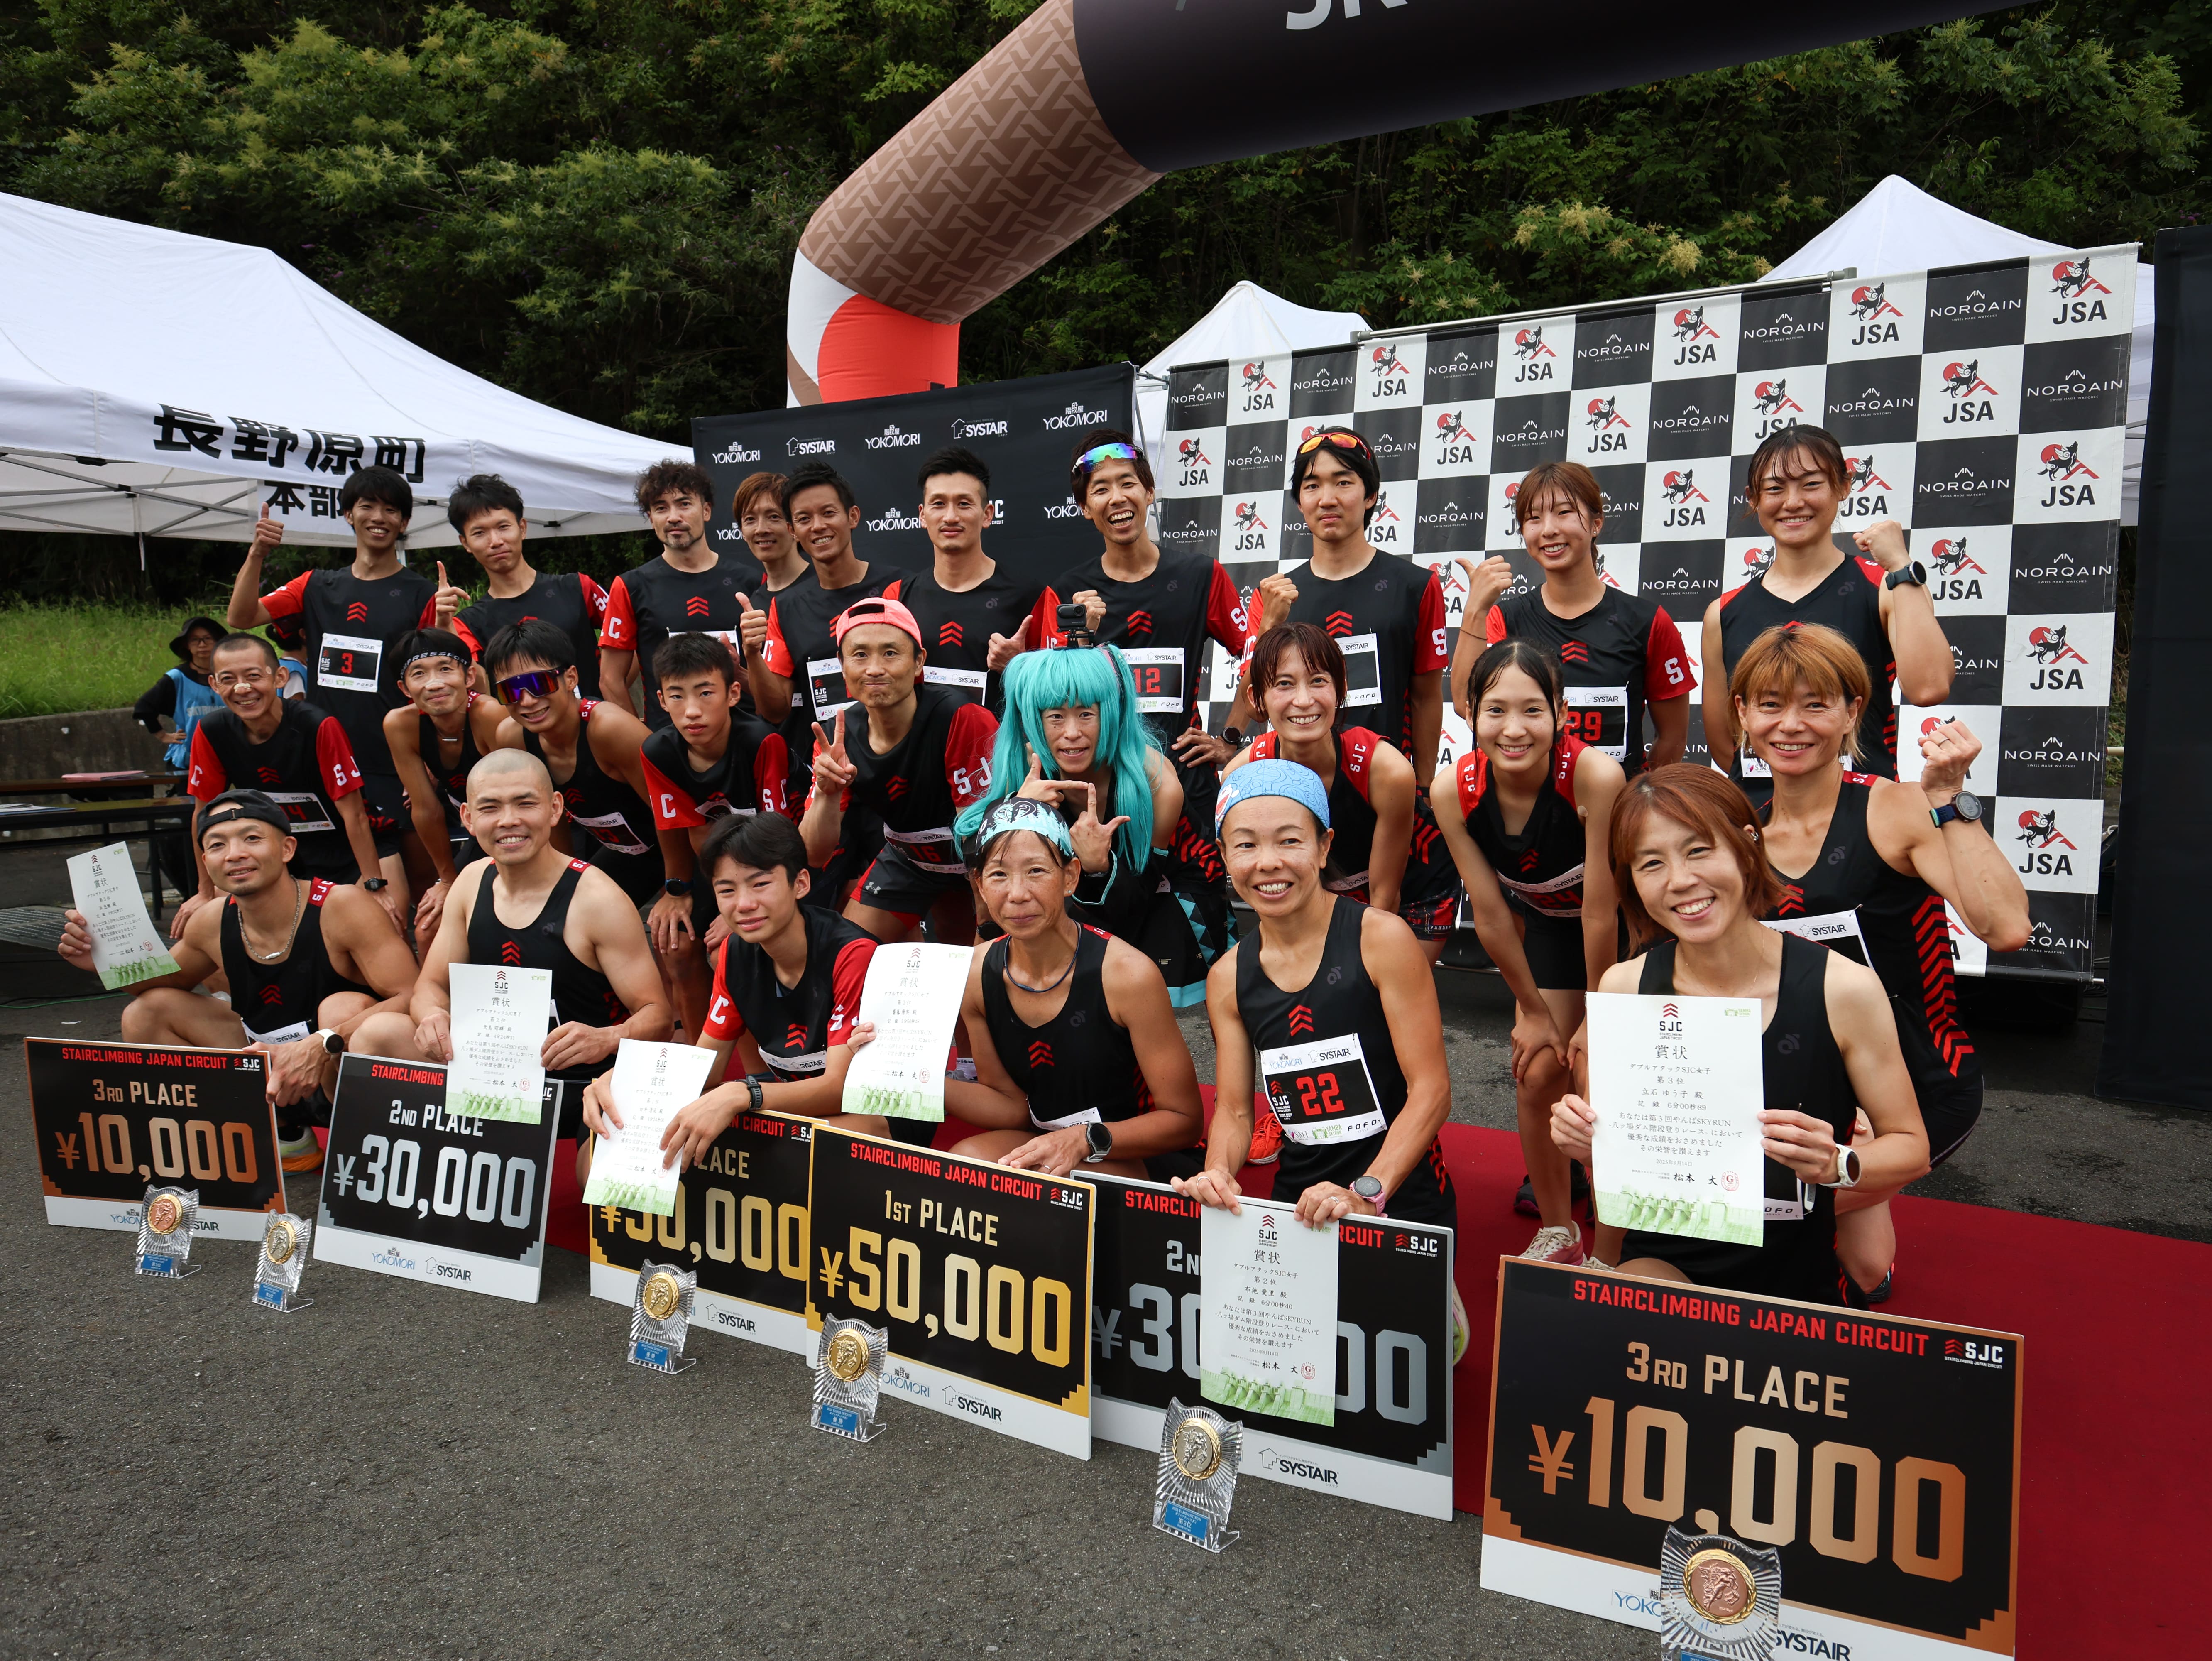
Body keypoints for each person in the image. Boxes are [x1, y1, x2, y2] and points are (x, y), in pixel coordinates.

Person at [1550, 765, 1931, 1304]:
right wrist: (1588, 1145)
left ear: (1748, 844)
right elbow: (1619, 1158)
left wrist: (1839, 1163)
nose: (1680, 880)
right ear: (1630, 879)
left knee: (1856, 1273)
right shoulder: (1624, 986)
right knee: (1627, 1320)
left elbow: (1912, 1147)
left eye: (1698, 850)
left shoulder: (1844, 989)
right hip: (1667, 1254)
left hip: (1797, 1268)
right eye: (1651, 863)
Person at [1735, 622, 2029, 1300]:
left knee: (1769, 1226)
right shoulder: (1739, 830)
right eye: (1770, 705)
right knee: (1856, 1265)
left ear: (1852, 712)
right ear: (1742, 715)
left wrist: (1949, 800)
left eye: (1815, 704)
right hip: (1803, 1090)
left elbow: (2007, 927)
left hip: (1918, 1090)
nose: (1790, 725)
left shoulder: (1894, 809)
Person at [1178, 761, 1466, 1355]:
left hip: (1398, 1193)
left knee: (1388, 1359)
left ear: (1324, 845)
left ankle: (1440, 1298)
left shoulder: (1381, 938)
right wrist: (1220, 1172)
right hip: (1301, 1202)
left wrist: (1368, 1193)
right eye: (1246, 845)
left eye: (1290, 841)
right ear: (1224, 856)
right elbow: (1234, 1110)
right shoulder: (1228, 976)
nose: (1269, 863)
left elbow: (1432, 1091)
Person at [59, 790, 424, 1171]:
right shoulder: (211, 921)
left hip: (336, 1069)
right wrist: (101, 960)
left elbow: (412, 994)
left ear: (287, 849)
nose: (235, 854)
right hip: (266, 1074)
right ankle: (278, 1132)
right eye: (218, 845)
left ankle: (362, 1152)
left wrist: (323, 1042)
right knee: (148, 1012)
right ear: (206, 862)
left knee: (342, 1007)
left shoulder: (342, 905)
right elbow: (160, 983)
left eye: (252, 838)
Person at [581, 812, 952, 1164]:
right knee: (597, 1156)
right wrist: (632, 1080)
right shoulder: (735, 952)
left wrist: (745, 1093)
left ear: (800, 884)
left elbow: (839, 1088)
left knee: (776, 1156)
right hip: (795, 1110)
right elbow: (707, 1068)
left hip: (876, 1117)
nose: (744, 905)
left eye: (760, 884)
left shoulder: (852, 953)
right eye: (727, 890)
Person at [1431, 639, 1627, 1265]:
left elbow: (1601, 911)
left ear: (1562, 712)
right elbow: (1490, 913)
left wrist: (1599, 1017)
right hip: (1550, 930)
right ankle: (1559, 1229)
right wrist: (1534, 1011)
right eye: (1496, 711)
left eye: (1533, 710)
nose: (1514, 730)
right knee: (1539, 1069)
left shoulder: (1595, 775)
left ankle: (1614, 1250)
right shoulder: (1453, 790)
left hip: (1627, 936)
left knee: (1601, 1079)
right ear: (1470, 712)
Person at [1028, 430, 1247, 963]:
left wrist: (1231, 738)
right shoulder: (1067, 592)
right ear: (1085, 508)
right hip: (1099, 796)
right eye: (1100, 489)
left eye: (1128, 483)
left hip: (1185, 790)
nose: (1117, 498)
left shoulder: (1200, 575)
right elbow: (1050, 698)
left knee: (1204, 948)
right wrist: (1080, 636)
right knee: (1102, 940)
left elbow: (1261, 655)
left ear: (1149, 492)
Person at [935, 798, 1205, 1179]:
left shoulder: (1127, 975)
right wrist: (916, 1081)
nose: (1017, 894)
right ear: (979, 884)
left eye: (1036, 871)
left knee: (1059, 1184)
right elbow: (1009, 1106)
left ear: (1071, 877)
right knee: (966, 1163)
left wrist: (1084, 1138)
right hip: (1046, 1142)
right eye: (998, 875)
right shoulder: (976, 972)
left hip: (1133, 1149)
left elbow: (1184, 1120)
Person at [411, 750, 672, 1144]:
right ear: (468, 818)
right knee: (380, 1036)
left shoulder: (597, 898)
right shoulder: (471, 882)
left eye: (525, 804)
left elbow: (659, 1017)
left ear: (555, 809)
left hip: (584, 1086)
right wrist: (432, 1016)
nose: (508, 820)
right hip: (492, 1077)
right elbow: (429, 986)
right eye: (490, 808)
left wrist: (607, 1038)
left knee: (591, 1168)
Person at [226, 465, 434, 908]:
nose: (379, 517)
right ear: (348, 514)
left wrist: (429, 757)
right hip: (326, 760)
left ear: (404, 522)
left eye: (391, 510)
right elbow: (241, 618)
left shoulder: (422, 593)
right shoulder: (316, 585)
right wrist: (257, 553)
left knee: (418, 891)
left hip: (395, 761)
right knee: (331, 892)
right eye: (368, 506)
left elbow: (436, 681)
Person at [1702, 426, 1953, 793]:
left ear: (1843, 486)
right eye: (1775, 489)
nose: (1793, 502)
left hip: (1865, 810)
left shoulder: (1886, 586)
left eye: (1811, 484)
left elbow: (1929, 688)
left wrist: (1901, 565)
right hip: (1760, 814)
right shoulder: (1724, 612)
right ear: (1753, 499)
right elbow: (1727, 745)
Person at [955, 642, 1208, 1005]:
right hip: (1075, 905)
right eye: (1055, 717)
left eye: (1086, 714)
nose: (1072, 732)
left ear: (1111, 715)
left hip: (1164, 901)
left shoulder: (1155, 782)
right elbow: (976, 856)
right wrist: (1016, 810)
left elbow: (1136, 902)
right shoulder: (1025, 765)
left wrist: (1097, 867)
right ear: (1034, 721)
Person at [1227, 624, 1462, 964]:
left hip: (1414, 889)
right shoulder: (1244, 774)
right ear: (1257, 699)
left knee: (1383, 983)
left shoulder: (1386, 769)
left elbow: (1385, 897)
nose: (1303, 700)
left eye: (1318, 681)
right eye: (1284, 684)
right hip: (1325, 892)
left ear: (1342, 689)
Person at [1232, 427, 1448, 781]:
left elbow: (1426, 698)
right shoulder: (1273, 596)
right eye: (1312, 486)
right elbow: (1255, 708)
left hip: (1383, 787)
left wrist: (1423, 789)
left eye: (1343, 483)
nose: (1327, 499)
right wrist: (1269, 625)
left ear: (1371, 495)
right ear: (1299, 502)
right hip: (1294, 788)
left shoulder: (1417, 586)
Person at [1453, 461, 1695, 773]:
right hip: (1526, 802)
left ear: (1597, 523)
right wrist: (1475, 610)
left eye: (1564, 512)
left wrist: (1639, 795)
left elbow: (1673, 738)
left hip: (1619, 802)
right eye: (1533, 518)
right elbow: (1466, 705)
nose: (1548, 530)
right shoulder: (1505, 618)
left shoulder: (1648, 622)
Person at [800, 597, 997, 945]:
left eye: (890, 653)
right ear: (841, 666)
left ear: (919, 661)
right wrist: (826, 794)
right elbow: (815, 854)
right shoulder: (836, 737)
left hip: (981, 863)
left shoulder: (962, 717)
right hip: (910, 861)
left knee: (978, 964)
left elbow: (985, 839)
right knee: (847, 951)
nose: (875, 669)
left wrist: (987, 924)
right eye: (860, 655)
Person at [178, 634, 400, 939]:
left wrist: (374, 884)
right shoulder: (212, 731)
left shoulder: (318, 725)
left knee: (384, 927)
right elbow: (202, 815)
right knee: (207, 927)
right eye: (228, 680)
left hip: (355, 852)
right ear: (214, 685)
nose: (242, 688)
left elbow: (355, 816)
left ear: (280, 677)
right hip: (280, 856)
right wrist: (204, 892)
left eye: (253, 676)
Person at [640, 633, 793, 1036]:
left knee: (731, 952)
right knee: (676, 943)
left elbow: (779, 840)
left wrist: (737, 907)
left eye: (705, 693)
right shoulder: (658, 751)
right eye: (677, 696)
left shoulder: (762, 741)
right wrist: (676, 890)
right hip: (721, 863)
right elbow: (677, 829)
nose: (692, 711)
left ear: (733, 693)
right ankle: (698, 1060)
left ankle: (768, 1053)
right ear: (661, 700)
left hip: (787, 862)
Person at [484, 620, 663, 910]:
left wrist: (678, 888)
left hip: (682, 845)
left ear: (570, 678)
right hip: (625, 851)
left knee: (676, 934)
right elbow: (548, 819)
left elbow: (673, 815)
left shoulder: (610, 729)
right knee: (563, 916)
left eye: (539, 684)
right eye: (510, 691)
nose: (527, 701)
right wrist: (560, 887)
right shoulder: (513, 737)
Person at [755, 463, 895, 806]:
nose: (818, 526)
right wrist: (751, 654)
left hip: (893, 766)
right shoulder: (784, 607)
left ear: (853, 517)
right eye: (804, 519)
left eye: (829, 513)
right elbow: (775, 710)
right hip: (826, 770)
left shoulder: (898, 588)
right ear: (793, 530)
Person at [599, 460, 764, 728]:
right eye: (661, 508)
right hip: (670, 741)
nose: (673, 517)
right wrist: (643, 742)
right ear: (651, 518)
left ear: (706, 510)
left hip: (746, 736)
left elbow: (777, 677)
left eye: (684, 504)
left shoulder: (752, 581)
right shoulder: (631, 586)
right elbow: (611, 680)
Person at [882, 446, 1040, 713]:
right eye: (938, 504)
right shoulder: (897, 597)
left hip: (999, 741)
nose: (951, 517)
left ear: (987, 514)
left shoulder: (1030, 597)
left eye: (964, 504)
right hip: (920, 741)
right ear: (922, 515)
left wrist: (1020, 666)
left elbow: (1062, 694)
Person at [382, 627, 514, 940]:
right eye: (419, 674)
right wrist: (447, 880)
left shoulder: (490, 716)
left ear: (469, 677)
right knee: (429, 928)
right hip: (482, 832)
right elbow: (426, 809)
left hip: (526, 828)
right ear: (404, 688)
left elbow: (523, 799)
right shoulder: (401, 725)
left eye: (445, 669)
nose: (434, 683)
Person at [430, 474, 611, 701]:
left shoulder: (579, 587)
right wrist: (445, 630)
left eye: (503, 527)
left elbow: (626, 646)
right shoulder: (467, 624)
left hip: (595, 718)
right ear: (465, 543)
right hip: (521, 724)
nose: (496, 541)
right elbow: (478, 689)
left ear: (522, 528)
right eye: (479, 533)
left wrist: (609, 695)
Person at [133, 615, 225, 772]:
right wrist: (163, 736)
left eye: (208, 639)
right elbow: (144, 708)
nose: (202, 645)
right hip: (189, 761)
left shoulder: (230, 674)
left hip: (227, 757)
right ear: (187, 645)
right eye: (195, 640)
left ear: (218, 642)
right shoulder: (177, 678)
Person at [734, 470, 811, 598]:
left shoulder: (826, 586)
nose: (761, 529)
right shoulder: (754, 603)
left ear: (795, 525)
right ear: (742, 532)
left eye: (774, 517)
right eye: (750, 519)